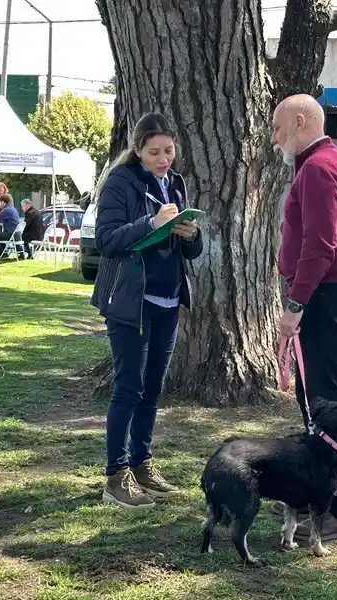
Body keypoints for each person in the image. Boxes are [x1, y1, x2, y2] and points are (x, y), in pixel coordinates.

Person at [90, 112, 203, 509]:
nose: (163, 159)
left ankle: (142, 465)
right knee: (129, 388)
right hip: (130, 302)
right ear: (137, 150)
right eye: (154, 151)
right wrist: (149, 223)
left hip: (168, 300)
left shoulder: (176, 183)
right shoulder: (122, 181)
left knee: (153, 389)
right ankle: (114, 477)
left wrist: (191, 236)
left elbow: (189, 250)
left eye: (169, 150)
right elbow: (105, 240)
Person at [271, 94, 337, 540]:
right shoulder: (319, 164)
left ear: (301, 121)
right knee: (316, 406)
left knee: (328, 409)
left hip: (326, 299)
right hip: (326, 296)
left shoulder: (320, 168)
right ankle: (320, 502)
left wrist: (294, 306)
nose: (273, 139)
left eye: (277, 128)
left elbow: (320, 247)